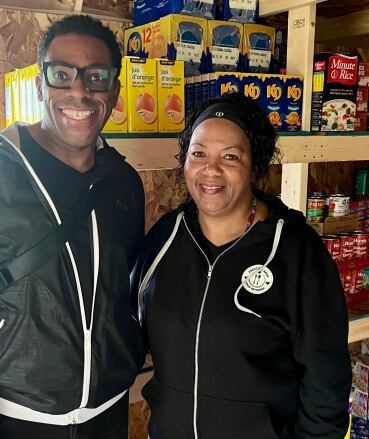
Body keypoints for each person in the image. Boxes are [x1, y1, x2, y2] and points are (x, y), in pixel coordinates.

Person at [0, 15, 146, 439]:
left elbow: (122, 290)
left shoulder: (122, 181)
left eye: (96, 77)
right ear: (40, 85)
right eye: (61, 75)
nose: (79, 91)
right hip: (12, 418)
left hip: (109, 413)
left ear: (114, 91)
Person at [134, 92, 352, 438]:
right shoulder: (166, 237)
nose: (211, 169)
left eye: (231, 156)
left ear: (255, 165)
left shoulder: (296, 250)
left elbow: (326, 378)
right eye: (199, 153)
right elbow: (131, 331)